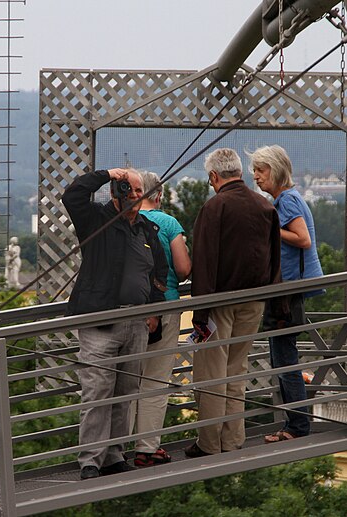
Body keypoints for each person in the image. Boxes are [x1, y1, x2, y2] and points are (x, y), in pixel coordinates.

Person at [62, 167, 168, 480]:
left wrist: (154, 310)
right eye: (129, 190)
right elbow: (72, 195)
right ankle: (91, 460)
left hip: (136, 322)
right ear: (116, 193)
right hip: (101, 321)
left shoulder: (147, 229)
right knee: (97, 391)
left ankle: (114, 454)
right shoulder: (96, 220)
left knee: (125, 390)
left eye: (139, 191)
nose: (135, 197)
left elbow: (159, 274)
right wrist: (107, 174)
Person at [185, 148, 281, 458]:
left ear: (214, 176)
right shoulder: (265, 207)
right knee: (237, 370)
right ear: (239, 171)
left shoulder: (215, 208)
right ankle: (233, 439)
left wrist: (200, 314)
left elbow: (204, 262)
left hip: (220, 303)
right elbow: (274, 258)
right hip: (254, 301)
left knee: (212, 373)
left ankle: (209, 443)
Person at [249, 145, 323, 443]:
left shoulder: (287, 202)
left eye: (261, 170)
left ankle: (296, 426)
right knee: (283, 356)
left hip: (290, 288)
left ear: (277, 171)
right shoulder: (289, 199)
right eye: (254, 170)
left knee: (284, 359)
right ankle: (296, 423)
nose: (256, 176)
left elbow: (302, 239)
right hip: (292, 286)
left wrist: (267, 230)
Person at [129, 171, 191, 468]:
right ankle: (147, 447)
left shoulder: (123, 222)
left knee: (126, 381)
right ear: (160, 195)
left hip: (128, 311)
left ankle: (114, 448)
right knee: (154, 379)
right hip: (164, 307)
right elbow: (182, 269)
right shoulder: (168, 224)